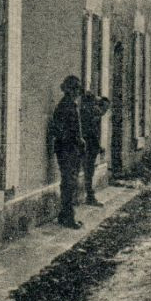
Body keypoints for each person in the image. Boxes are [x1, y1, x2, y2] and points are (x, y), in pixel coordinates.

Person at [48, 75, 86, 229]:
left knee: (70, 182)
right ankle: (68, 217)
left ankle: (64, 214)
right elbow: (58, 129)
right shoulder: (65, 106)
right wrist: (74, 140)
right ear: (69, 90)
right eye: (75, 88)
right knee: (69, 183)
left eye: (78, 89)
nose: (78, 92)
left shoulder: (70, 105)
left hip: (71, 149)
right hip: (67, 149)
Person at [81, 90, 110, 204]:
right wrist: (98, 146)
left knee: (89, 172)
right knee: (88, 172)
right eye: (104, 109)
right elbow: (91, 133)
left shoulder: (94, 115)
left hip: (90, 148)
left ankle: (89, 196)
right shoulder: (91, 115)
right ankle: (90, 197)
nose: (104, 112)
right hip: (87, 147)